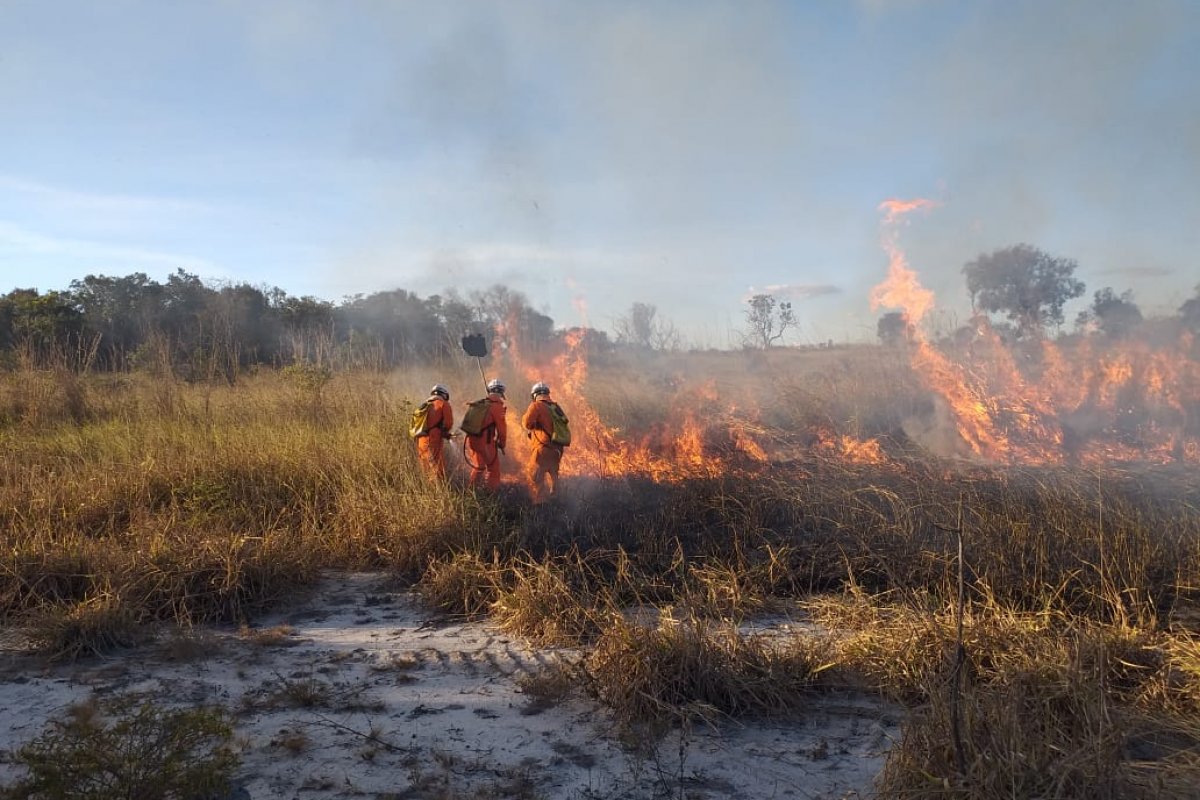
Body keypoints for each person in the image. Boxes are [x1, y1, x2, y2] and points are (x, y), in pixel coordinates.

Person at [521, 381, 566, 503]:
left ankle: (540, 505)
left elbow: (526, 423)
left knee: (535, 476)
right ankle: (556, 502)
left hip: (542, 449)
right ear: (547, 393)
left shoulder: (536, 405)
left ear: (534, 395)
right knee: (554, 476)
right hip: (557, 450)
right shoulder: (556, 407)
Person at [465, 378, 507, 491]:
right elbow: (502, 429)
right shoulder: (497, 407)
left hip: (472, 440)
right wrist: (502, 443)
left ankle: (471, 491)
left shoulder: (480, 403)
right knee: (493, 469)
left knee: (479, 466)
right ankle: (490, 494)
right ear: (501, 392)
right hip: (486, 443)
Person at [414, 384, 453, 478]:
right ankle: (439, 491)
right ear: (444, 394)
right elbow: (448, 423)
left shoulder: (425, 405)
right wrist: (445, 432)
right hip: (433, 440)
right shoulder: (443, 403)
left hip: (421, 441)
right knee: (437, 468)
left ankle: (426, 490)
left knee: (425, 468)